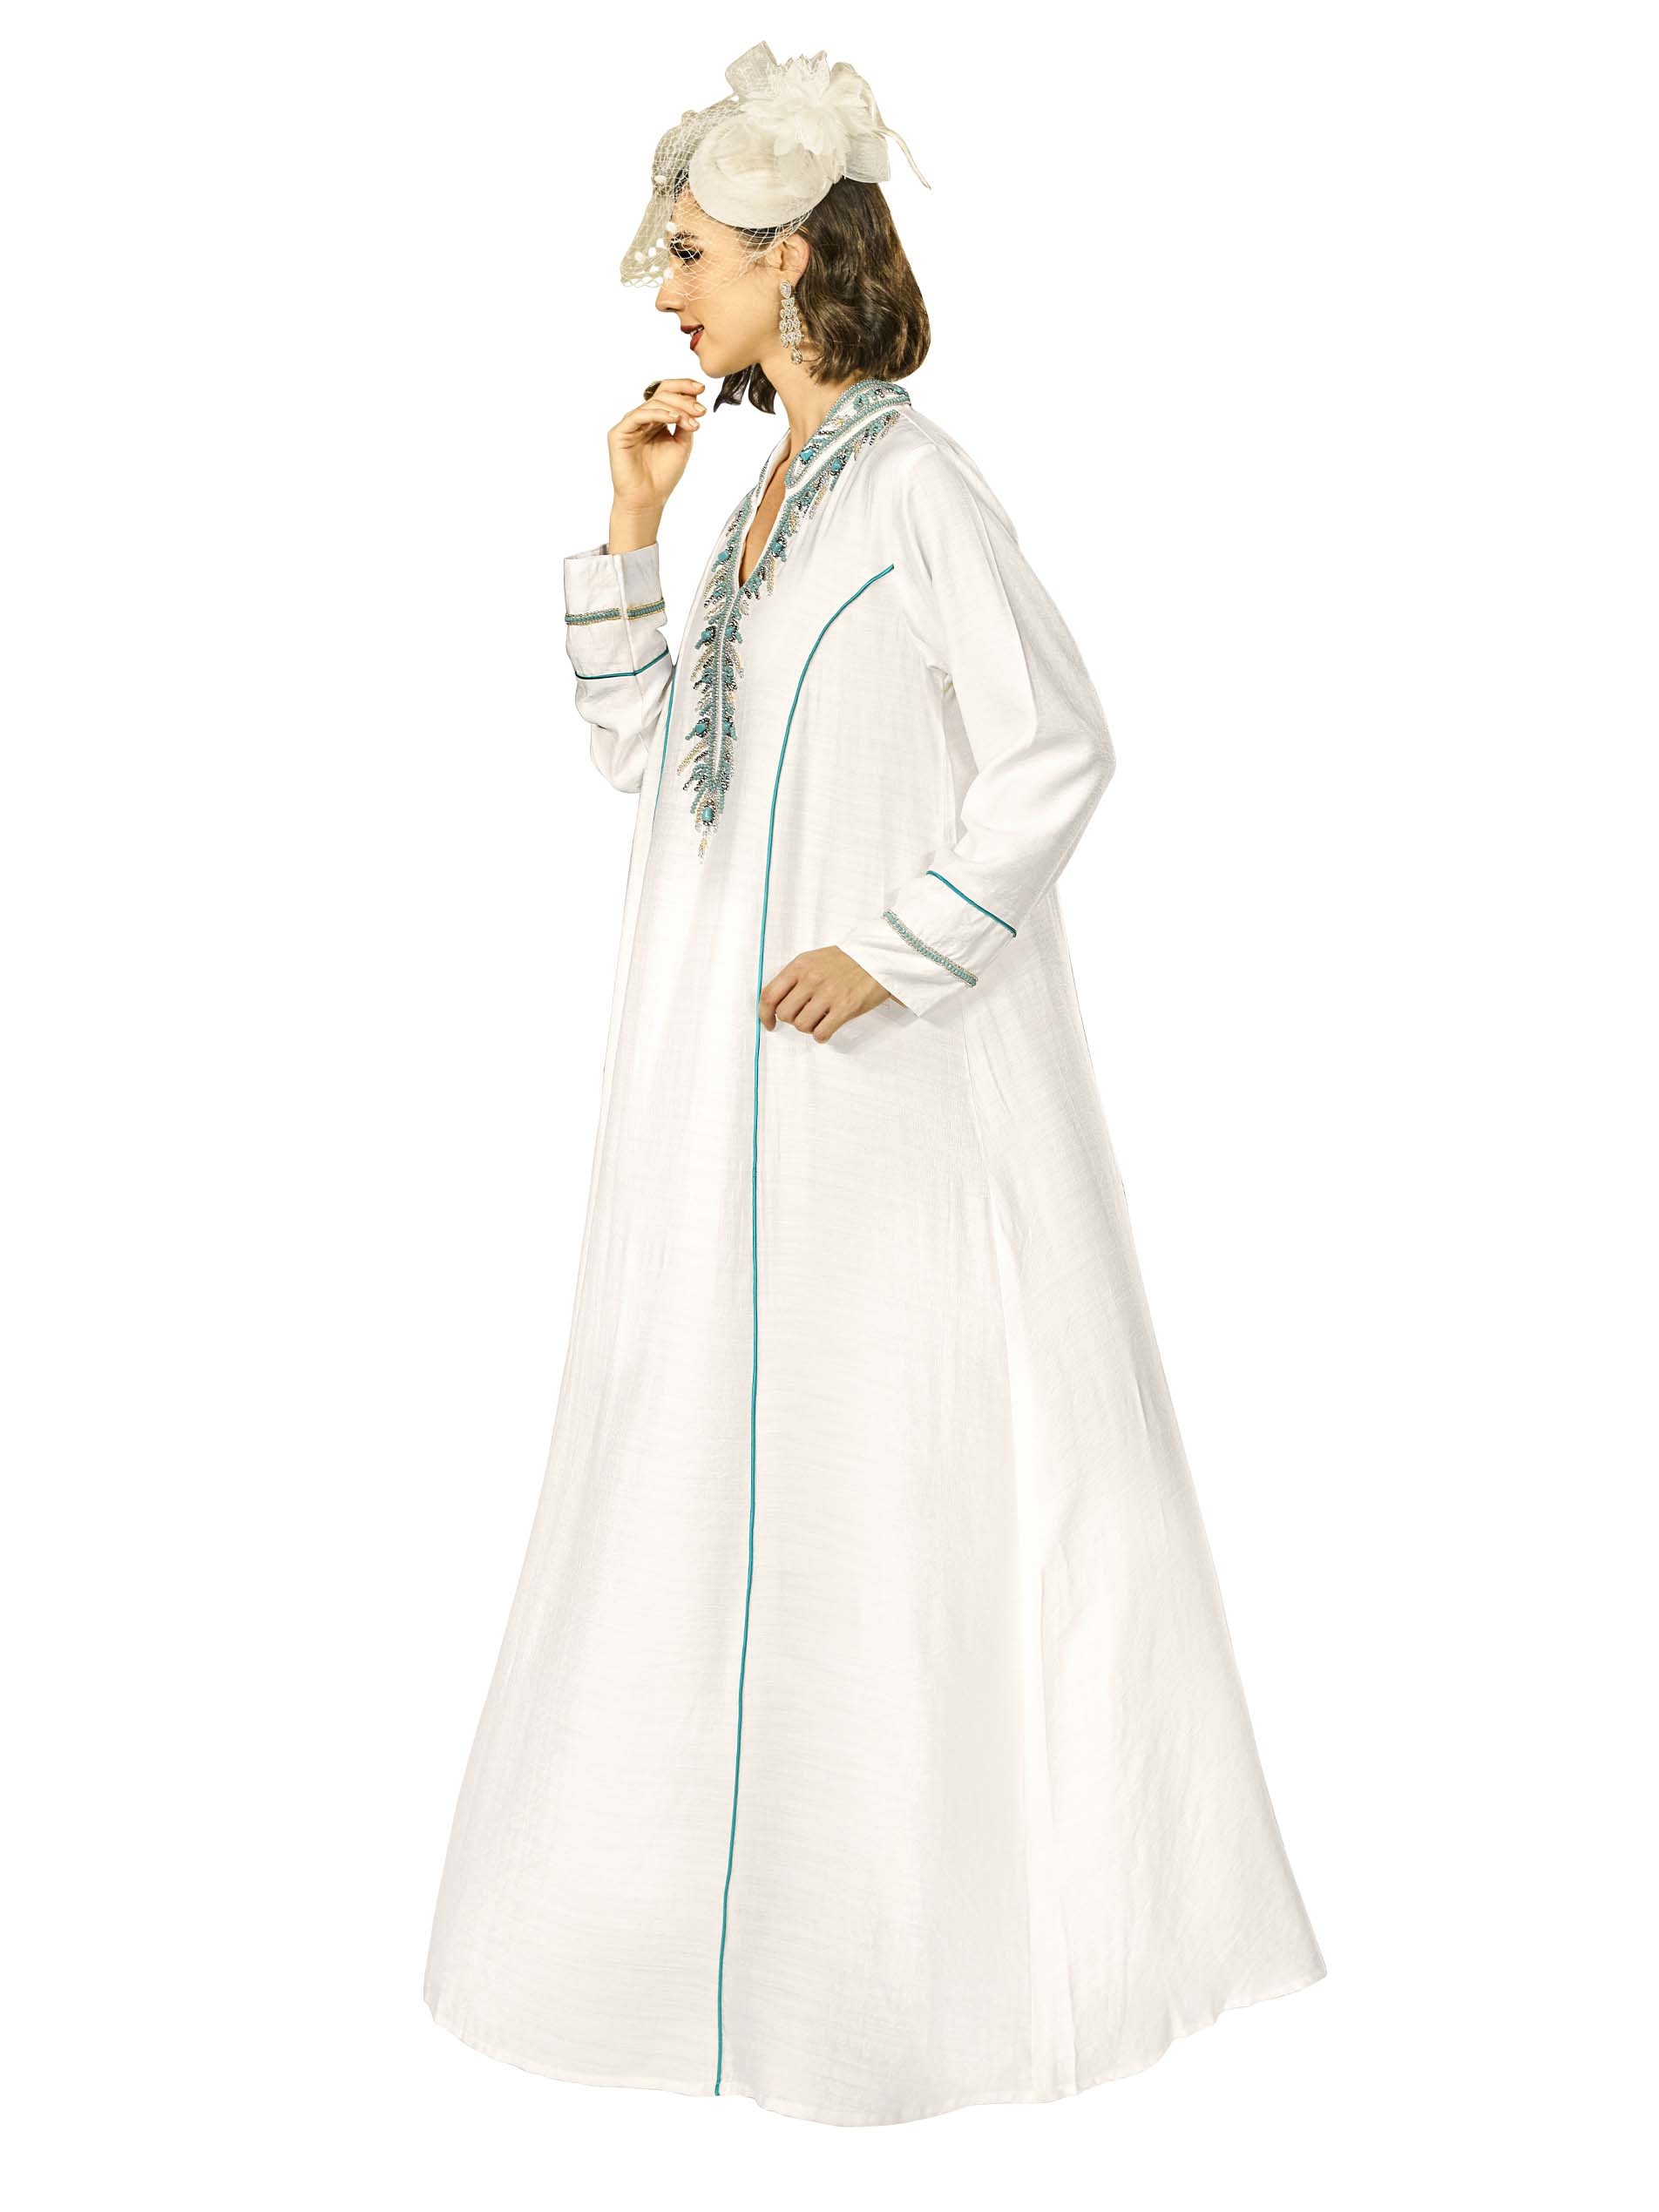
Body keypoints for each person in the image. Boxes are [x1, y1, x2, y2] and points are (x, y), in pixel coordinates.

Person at [424, 41, 1325, 2129]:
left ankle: (909, 1973)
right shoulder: (761, 502)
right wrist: (632, 526)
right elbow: (646, 755)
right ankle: (715, 1945)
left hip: (866, 1090)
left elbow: (1056, 743)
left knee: (884, 1469)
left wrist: (900, 941)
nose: (664, 285)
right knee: (714, 1452)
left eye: (692, 252)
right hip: (710, 1088)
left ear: (791, 261)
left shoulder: (917, 488)